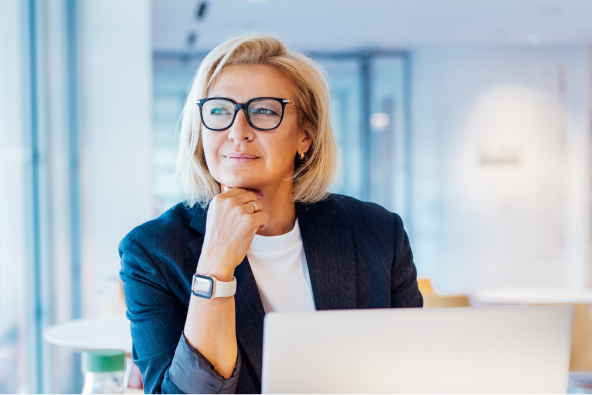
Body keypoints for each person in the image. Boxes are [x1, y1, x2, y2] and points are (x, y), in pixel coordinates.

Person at [119, 33, 422, 395]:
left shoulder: (378, 233)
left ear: (305, 137)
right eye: (219, 110)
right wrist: (215, 265)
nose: (237, 131)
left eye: (264, 110)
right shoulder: (152, 252)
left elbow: (411, 372)